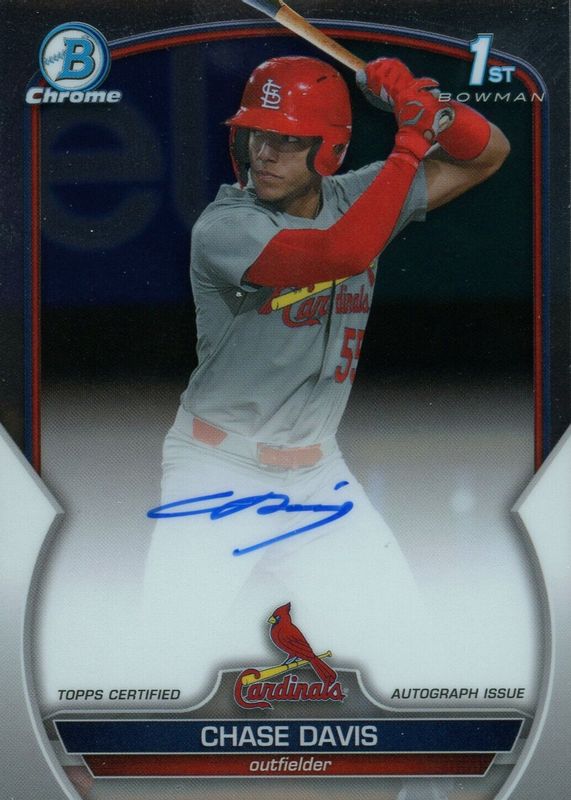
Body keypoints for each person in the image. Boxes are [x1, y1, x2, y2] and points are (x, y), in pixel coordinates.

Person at [142, 56, 509, 705]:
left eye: (289, 139)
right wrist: (409, 142)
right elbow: (343, 251)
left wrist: (428, 108)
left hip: (316, 479)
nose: (264, 153)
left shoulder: (360, 198)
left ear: (330, 149)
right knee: (159, 671)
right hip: (216, 473)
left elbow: (488, 154)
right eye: (258, 134)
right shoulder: (225, 226)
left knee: (411, 653)